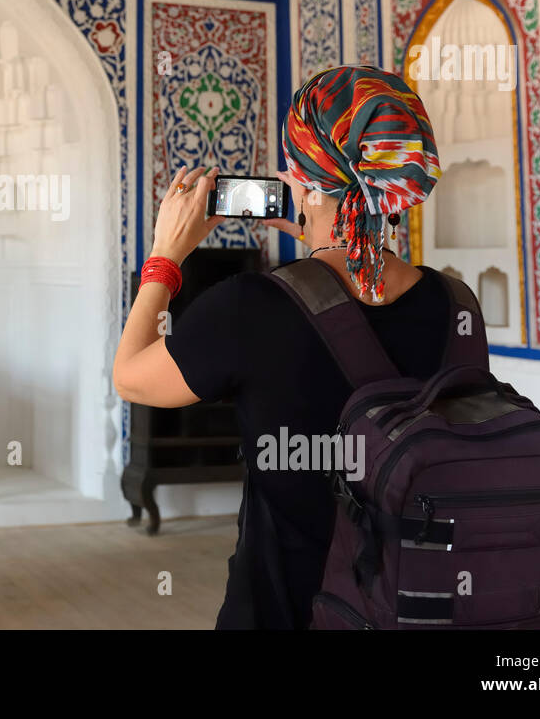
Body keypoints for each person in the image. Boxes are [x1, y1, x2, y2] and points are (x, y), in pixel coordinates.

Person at [112, 65, 447, 629]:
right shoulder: (456, 304)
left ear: (310, 184)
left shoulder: (255, 306)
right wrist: (325, 246)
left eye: (293, 166)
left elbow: (130, 376)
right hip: (421, 603)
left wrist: (165, 258)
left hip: (292, 608)